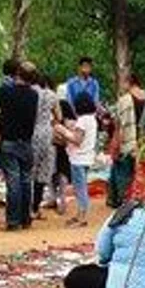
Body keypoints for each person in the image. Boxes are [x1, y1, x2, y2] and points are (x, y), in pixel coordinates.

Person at [0, 60, 38, 231]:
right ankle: (25, 218)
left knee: (13, 182)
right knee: (26, 180)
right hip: (26, 142)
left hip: (9, 140)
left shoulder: (6, 92)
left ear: (17, 74)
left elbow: (1, 108)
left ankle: (13, 221)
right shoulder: (34, 95)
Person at [59, 92, 97, 226]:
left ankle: (83, 217)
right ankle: (80, 214)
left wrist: (63, 131)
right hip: (87, 157)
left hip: (78, 159)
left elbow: (77, 140)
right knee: (82, 187)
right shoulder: (92, 119)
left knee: (80, 189)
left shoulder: (82, 120)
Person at [29, 68, 60, 220]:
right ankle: (36, 208)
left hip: (31, 134)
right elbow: (58, 116)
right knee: (42, 173)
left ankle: (26, 207)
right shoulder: (52, 96)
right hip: (46, 134)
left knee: (29, 171)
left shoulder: (31, 93)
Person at [109, 73, 139, 208]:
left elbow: (120, 126)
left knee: (123, 175)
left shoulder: (125, 100)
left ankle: (123, 203)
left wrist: (115, 146)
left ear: (128, 82)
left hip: (128, 144)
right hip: (144, 145)